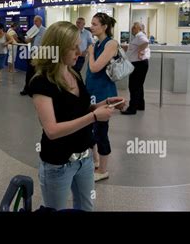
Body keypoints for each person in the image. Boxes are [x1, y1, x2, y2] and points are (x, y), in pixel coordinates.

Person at [29, 21, 125, 211]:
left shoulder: (74, 74)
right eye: (72, 47)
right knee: (55, 209)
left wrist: (105, 104)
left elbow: (82, 109)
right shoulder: (41, 82)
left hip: (85, 158)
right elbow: (52, 131)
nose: (79, 51)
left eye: (79, 45)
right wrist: (95, 117)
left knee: (86, 207)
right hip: (58, 163)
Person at [86, 12, 119, 182]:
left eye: (95, 24)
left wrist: (91, 53)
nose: (91, 26)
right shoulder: (97, 43)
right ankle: (96, 161)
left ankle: (103, 169)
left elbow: (95, 68)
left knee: (100, 131)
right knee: (90, 129)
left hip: (104, 94)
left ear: (104, 27)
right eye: (91, 24)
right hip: (91, 92)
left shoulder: (110, 44)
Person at [121, 22, 151, 115]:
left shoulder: (140, 35)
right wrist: (128, 47)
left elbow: (145, 42)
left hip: (139, 64)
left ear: (138, 28)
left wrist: (139, 51)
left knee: (133, 86)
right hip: (140, 64)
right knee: (138, 86)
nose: (132, 29)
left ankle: (132, 108)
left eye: (133, 27)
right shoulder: (137, 37)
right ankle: (140, 105)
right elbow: (134, 47)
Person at [20, 16, 47, 95]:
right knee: (29, 72)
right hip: (31, 54)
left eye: (36, 21)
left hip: (40, 55)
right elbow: (26, 40)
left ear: (40, 21)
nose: (34, 22)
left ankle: (38, 90)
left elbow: (46, 43)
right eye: (34, 21)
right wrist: (30, 38)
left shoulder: (45, 31)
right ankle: (27, 89)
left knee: (39, 73)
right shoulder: (32, 30)